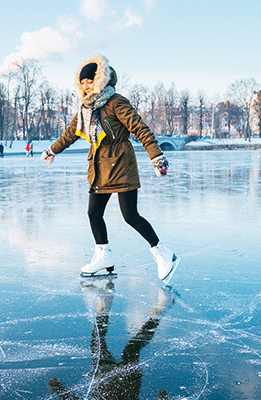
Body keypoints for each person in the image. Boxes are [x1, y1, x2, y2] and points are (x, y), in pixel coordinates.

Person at [41, 55, 178, 285]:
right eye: (82, 82)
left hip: (122, 165)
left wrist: (157, 157)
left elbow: (140, 129)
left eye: (90, 81)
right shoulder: (85, 108)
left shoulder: (116, 102)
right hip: (99, 168)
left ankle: (163, 253)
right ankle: (104, 256)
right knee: (94, 214)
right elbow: (70, 133)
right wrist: (52, 150)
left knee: (130, 216)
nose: (86, 86)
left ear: (100, 80)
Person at [47, 279, 175, 400]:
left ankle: (103, 308)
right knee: (131, 349)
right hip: (127, 382)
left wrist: (58, 389)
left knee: (98, 343)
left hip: (104, 376)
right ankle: (159, 311)